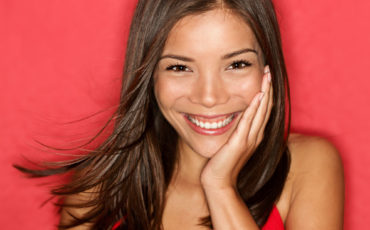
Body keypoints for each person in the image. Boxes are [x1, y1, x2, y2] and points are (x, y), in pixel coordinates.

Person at [17, 0, 344, 229]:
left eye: (236, 64)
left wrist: (220, 187)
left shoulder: (305, 166)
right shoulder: (95, 194)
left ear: (266, 69)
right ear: (150, 78)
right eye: (179, 67)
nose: (209, 97)